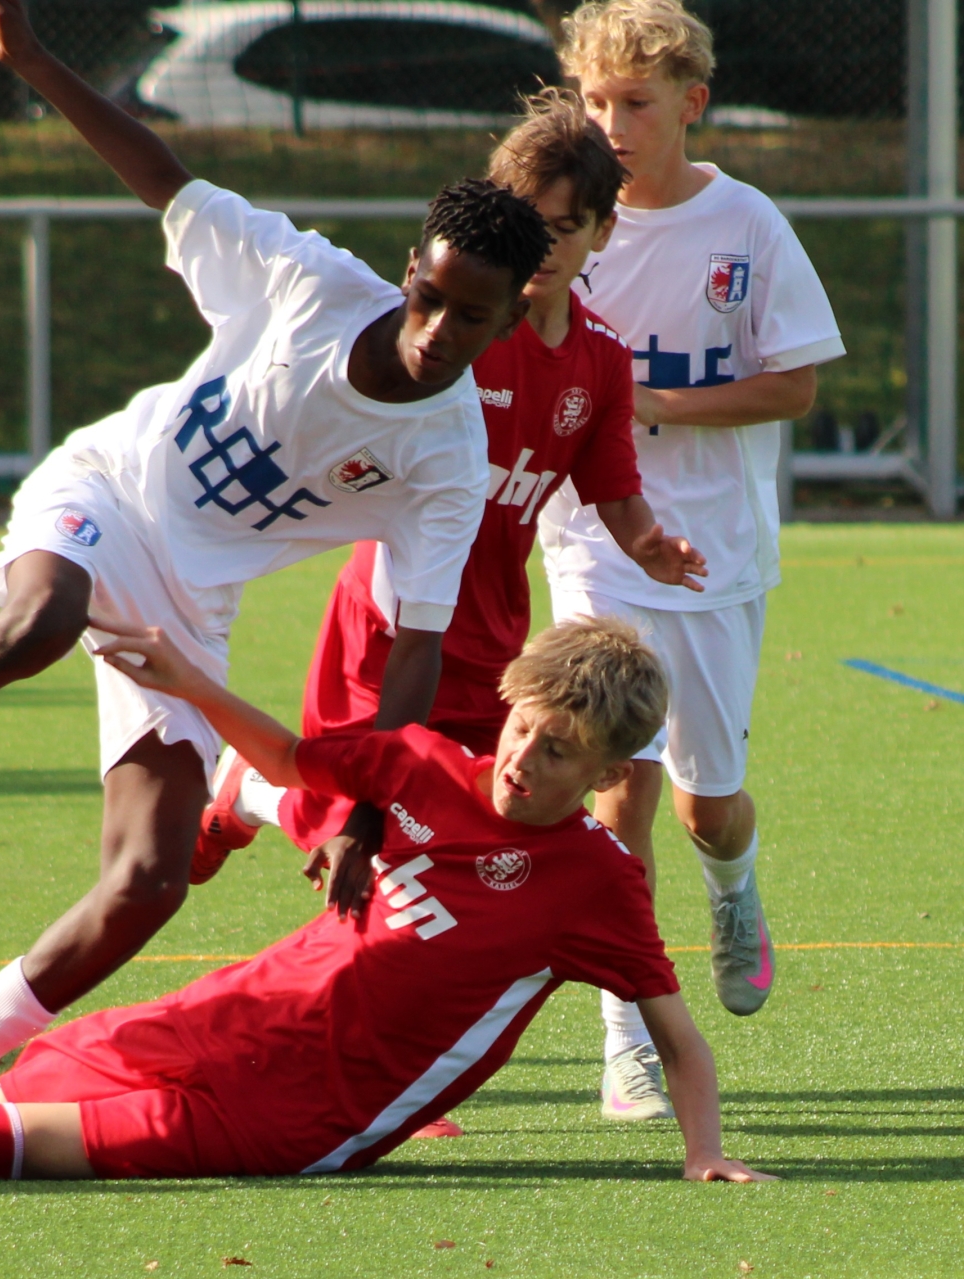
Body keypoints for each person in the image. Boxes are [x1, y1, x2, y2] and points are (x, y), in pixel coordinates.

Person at [0, 0, 552, 1125]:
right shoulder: (305, 281)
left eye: (471, 317)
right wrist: (34, 60)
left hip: (186, 605)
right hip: (103, 490)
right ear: (407, 271)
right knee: (39, 621)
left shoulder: (449, 459)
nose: (438, 329)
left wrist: (366, 818)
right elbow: (164, 178)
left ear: (511, 318)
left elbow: (416, 650)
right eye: (429, 297)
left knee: (149, 880)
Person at [0, 618, 772, 1186]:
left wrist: (703, 1151)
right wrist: (188, 677)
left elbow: (676, 1035)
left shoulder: (595, 883)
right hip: (225, 1018)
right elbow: (291, 757)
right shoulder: (425, 764)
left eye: (559, 753)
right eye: (522, 730)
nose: (523, 761)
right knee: (21, 1087)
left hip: (296, 1116)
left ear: (607, 776)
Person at [190, 90, 708, 1131]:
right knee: (373, 832)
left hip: (493, 648)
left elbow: (609, 483)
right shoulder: (469, 338)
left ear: (603, 233)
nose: (544, 247)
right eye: (531, 223)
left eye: (566, 226)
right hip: (392, 629)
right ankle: (249, 801)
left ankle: (258, 804)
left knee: (453, 850)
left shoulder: (600, 361)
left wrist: (648, 540)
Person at [537, 0, 843, 1117]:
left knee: (706, 804)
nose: (610, 125)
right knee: (613, 781)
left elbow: (795, 384)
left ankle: (732, 883)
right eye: (595, 102)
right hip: (592, 538)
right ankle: (626, 1039)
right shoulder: (566, 220)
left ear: (691, 104)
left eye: (635, 103)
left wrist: (649, 401)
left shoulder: (746, 224)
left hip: (714, 554)